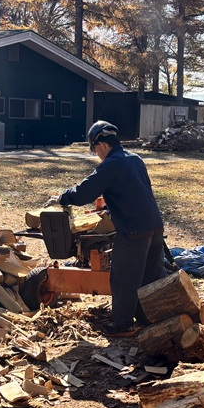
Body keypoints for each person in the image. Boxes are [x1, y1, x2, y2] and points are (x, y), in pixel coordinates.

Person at [49, 121, 166, 336]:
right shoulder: (135, 159)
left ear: (101, 145)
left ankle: (121, 326)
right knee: (151, 277)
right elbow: (139, 191)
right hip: (154, 225)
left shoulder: (110, 165)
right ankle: (150, 318)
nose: (96, 154)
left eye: (95, 150)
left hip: (133, 230)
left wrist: (61, 198)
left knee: (124, 278)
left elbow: (84, 193)